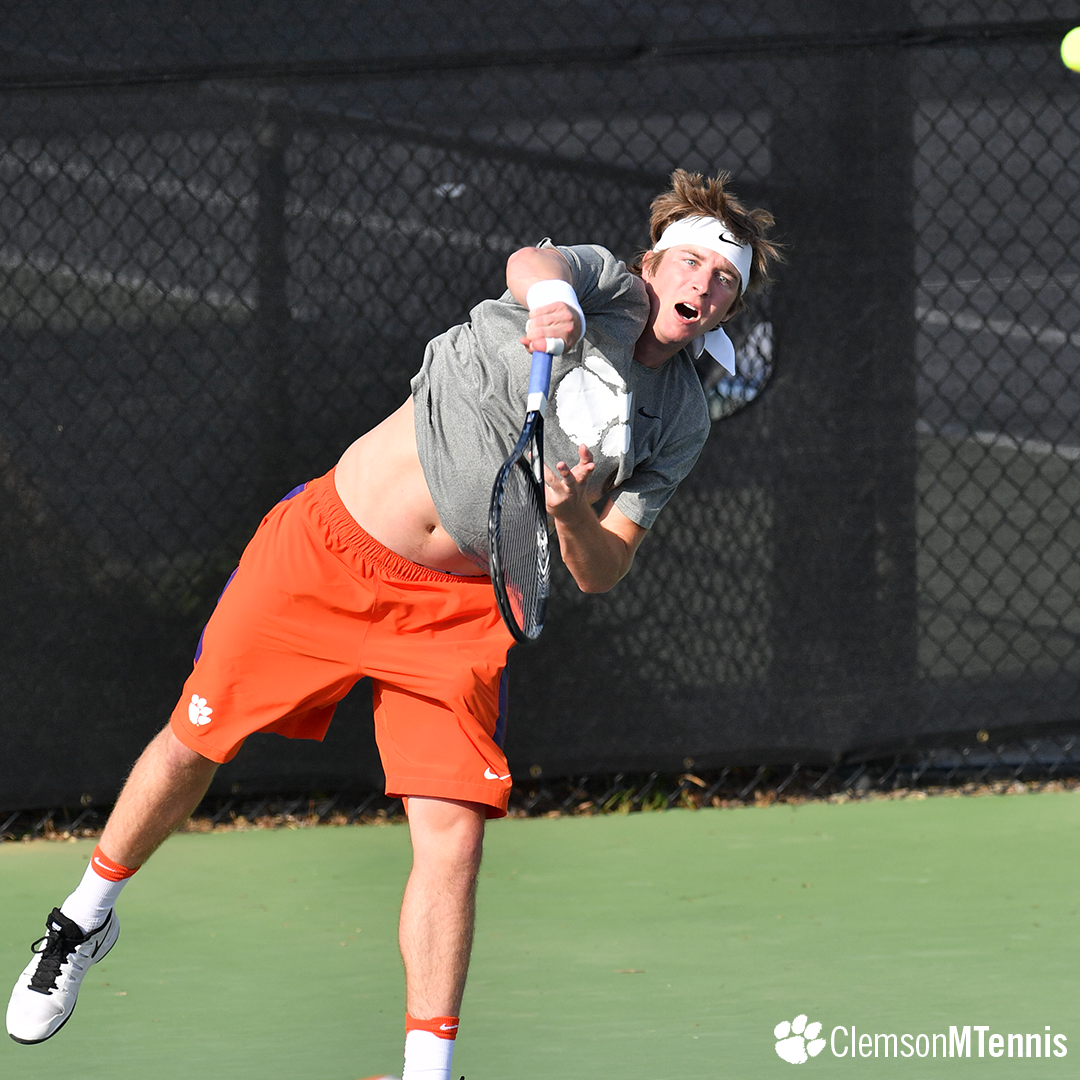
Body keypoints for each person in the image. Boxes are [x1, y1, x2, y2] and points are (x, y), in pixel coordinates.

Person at [6, 169, 780, 1076]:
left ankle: (427, 1071)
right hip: (327, 552)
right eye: (690, 261)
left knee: (455, 831)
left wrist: (572, 516)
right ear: (653, 265)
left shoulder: (682, 415)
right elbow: (529, 260)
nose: (703, 284)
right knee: (195, 741)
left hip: (454, 614)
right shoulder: (603, 280)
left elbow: (603, 568)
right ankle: (83, 918)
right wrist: (556, 303)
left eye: (723, 280)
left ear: (727, 309)